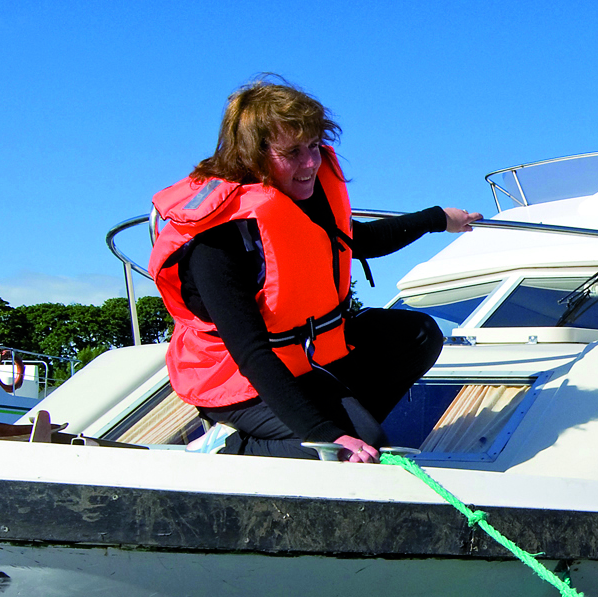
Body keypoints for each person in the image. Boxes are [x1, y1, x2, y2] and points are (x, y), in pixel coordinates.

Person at [149, 76, 483, 463]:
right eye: (292, 152)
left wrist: (438, 219)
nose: (310, 163)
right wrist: (325, 434)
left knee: (417, 335)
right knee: (347, 447)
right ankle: (231, 445)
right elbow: (251, 353)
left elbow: (360, 240)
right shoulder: (217, 241)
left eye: (313, 146)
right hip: (234, 379)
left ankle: (352, 434)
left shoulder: (298, 197)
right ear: (252, 154)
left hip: (303, 358)